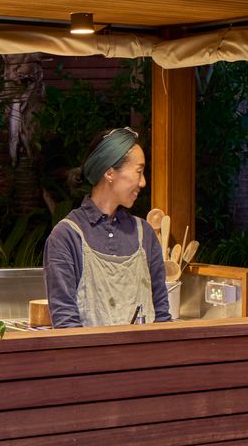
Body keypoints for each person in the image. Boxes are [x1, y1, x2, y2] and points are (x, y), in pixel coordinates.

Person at [45, 126, 174, 328]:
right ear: (110, 173)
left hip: (146, 357)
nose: (143, 182)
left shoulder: (144, 233)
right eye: (139, 172)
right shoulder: (67, 235)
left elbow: (162, 314)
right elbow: (65, 322)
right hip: (89, 358)